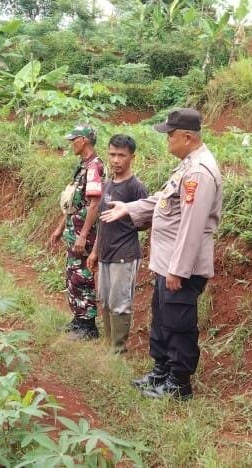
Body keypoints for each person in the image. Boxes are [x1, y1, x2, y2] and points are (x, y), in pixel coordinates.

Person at [100, 108, 222, 400]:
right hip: (166, 262)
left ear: (188, 137)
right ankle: (161, 372)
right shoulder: (186, 166)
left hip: (180, 268)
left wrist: (178, 270)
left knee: (179, 324)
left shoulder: (199, 172)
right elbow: (161, 202)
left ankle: (178, 384)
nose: (167, 140)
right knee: (163, 319)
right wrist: (129, 208)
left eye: (170, 135)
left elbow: (192, 226)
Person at [86, 134, 148, 354]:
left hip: (125, 253)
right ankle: (108, 345)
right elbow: (102, 224)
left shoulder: (136, 187)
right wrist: (94, 251)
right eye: (112, 154)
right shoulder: (108, 185)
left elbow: (145, 222)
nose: (115, 160)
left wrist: (127, 216)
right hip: (105, 252)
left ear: (132, 157)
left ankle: (117, 350)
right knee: (106, 300)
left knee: (120, 302)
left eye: (121, 155)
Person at [51, 124, 104, 340]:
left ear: (83, 140)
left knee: (82, 277)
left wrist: (83, 235)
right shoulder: (84, 166)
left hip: (85, 236)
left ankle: (88, 326)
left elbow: (94, 205)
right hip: (75, 232)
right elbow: (74, 203)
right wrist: (60, 227)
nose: (71, 143)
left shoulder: (94, 168)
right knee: (72, 276)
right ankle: (78, 319)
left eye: (74, 140)